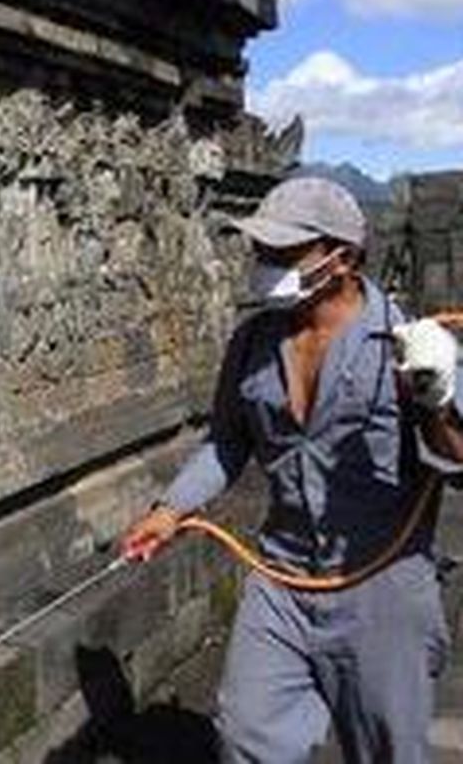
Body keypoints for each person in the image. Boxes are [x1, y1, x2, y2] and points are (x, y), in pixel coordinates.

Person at [121, 177, 463, 764]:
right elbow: (228, 441)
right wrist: (170, 509)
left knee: (390, 749)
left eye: (282, 253)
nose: (264, 266)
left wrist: (436, 399)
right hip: (282, 577)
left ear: (343, 258)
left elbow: (456, 458)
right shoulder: (253, 342)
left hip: (379, 582)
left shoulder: (411, 347)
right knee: (245, 738)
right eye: (261, 251)